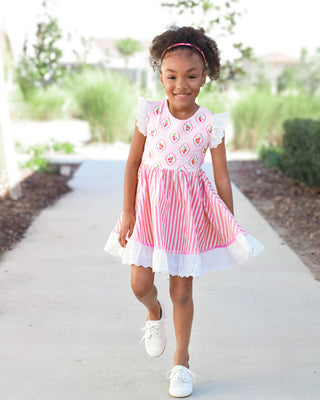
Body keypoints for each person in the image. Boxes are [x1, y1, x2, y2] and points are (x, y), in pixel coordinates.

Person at [105, 26, 264, 398]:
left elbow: (222, 178)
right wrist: (127, 211)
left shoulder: (211, 124)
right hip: (147, 211)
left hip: (187, 217)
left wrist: (228, 220)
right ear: (160, 74)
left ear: (205, 77)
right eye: (172, 76)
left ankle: (181, 363)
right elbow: (132, 164)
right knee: (140, 285)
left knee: (182, 292)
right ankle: (153, 313)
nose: (181, 84)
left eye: (191, 76)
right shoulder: (149, 114)